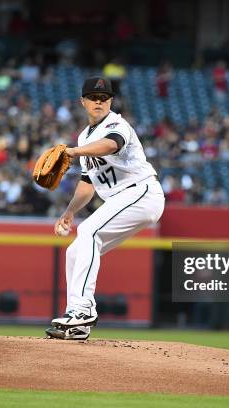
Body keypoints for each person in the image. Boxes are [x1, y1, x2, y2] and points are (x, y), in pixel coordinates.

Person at [46, 77, 165, 340]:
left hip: (142, 191)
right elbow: (88, 183)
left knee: (89, 231)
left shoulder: (116, 123)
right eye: (93, 97)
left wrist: (75, 152)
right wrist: (69, 211)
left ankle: (83, 309)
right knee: (75, 251)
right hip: (124, 200)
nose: (98, 101)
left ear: (110, 101)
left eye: (103, 97)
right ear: (83, 101)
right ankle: (77, 325)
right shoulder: (83, 137)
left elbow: (112, 144)